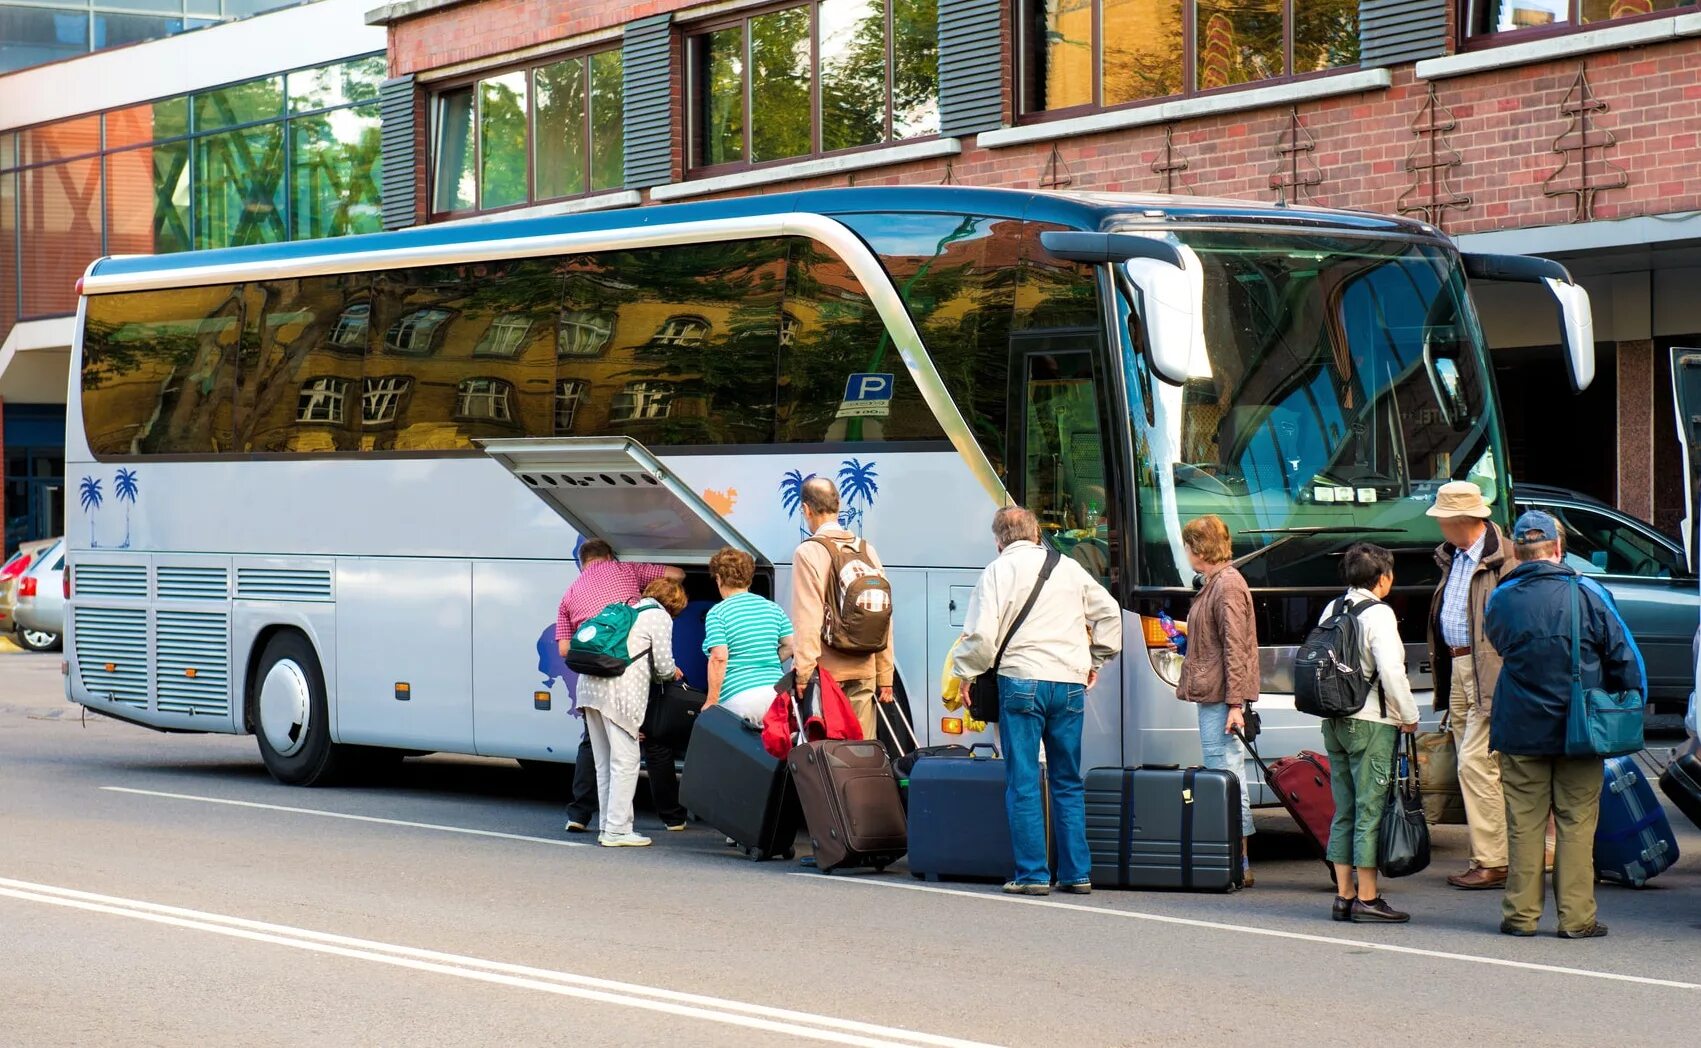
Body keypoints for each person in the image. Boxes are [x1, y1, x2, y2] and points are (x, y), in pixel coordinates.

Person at [1484, 511, 1645, 939]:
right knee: (1576, 824)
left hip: (1519, 726)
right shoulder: (1588, 592)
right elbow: (1624, 657)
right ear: (1558, 548)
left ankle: (1520, 916)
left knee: (1524, 823)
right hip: (1581, 727)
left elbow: (1498, 643)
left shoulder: (1500, 598)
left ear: (1518, 554)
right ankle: (1576, 919)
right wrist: (1630, 699)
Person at [953, 506, 1123, 895]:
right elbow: (1109, 614)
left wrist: (966, 673)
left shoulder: (997, 571)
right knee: (1067, 780)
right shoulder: (1068, 566)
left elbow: (980, 637)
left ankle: (1033, 875)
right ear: (1035, 534)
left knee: (1025, 780)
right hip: (1068, 684)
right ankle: (1077, 873)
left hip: (1022, 681)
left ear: (999, 541)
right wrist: (1094, 659)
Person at [1320, 543, 1422, 924]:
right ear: (1383, 578)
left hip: (1333, 721)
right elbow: (1392, 671)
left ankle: (1343, 896)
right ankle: (1367, 897)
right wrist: (1408, 715)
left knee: (1343, 808)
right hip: (1370, 722)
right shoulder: (1379, 614)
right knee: (1370, 809)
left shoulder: (1332, 608)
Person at [556, 539, 686, 834]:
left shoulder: (569, 593)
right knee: (645, 746)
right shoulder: (626, 570)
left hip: (590, 681)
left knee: (595, 751)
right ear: (610, 555)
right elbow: (677, 573)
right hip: (627, 678)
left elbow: (565, 649)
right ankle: (659, 818)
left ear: (582, 561)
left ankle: (584, 815)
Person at [1425, 480, 1515, 890]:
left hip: (1487, 671)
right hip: (1461, 667)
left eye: (1442, 519)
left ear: (1460, 519)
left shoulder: (1504, 559)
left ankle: (1495, 860)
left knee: (1476, 763)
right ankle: (1493, 852)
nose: (1438, 527)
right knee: (1478, 763)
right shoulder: (1456, 556)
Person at [1174, 514, 1259, 886]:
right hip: (1218, 694)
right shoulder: (1217, 584)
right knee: (1223, 773)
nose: (1186, 551)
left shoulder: (1225, 586)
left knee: (1225, 775)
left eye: (1188, 545)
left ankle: (1237, 860)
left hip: (1221, 699)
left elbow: (1235, 647)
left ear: (1197, 548)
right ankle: (1232, 856)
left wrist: (1235, 704)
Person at [789, 476, 894, 738]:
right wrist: (885, 675)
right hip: (865, 669)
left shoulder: (809, 552)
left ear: (806, 509)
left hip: (828, 674)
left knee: (830, 755)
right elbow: (884, 617)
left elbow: (808, 618)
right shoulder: (867, 549)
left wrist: (803, 673)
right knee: (861, 752)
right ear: (837, 506)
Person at [703, 546, 794, 726]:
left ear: (719, 579)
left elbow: (719, 657)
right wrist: (769, 660)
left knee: (731, 752)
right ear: (748, 579)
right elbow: (791, 645)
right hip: (776, 694)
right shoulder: (772, 608)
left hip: (739, 698)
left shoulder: (718, 613)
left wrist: (711, 701)